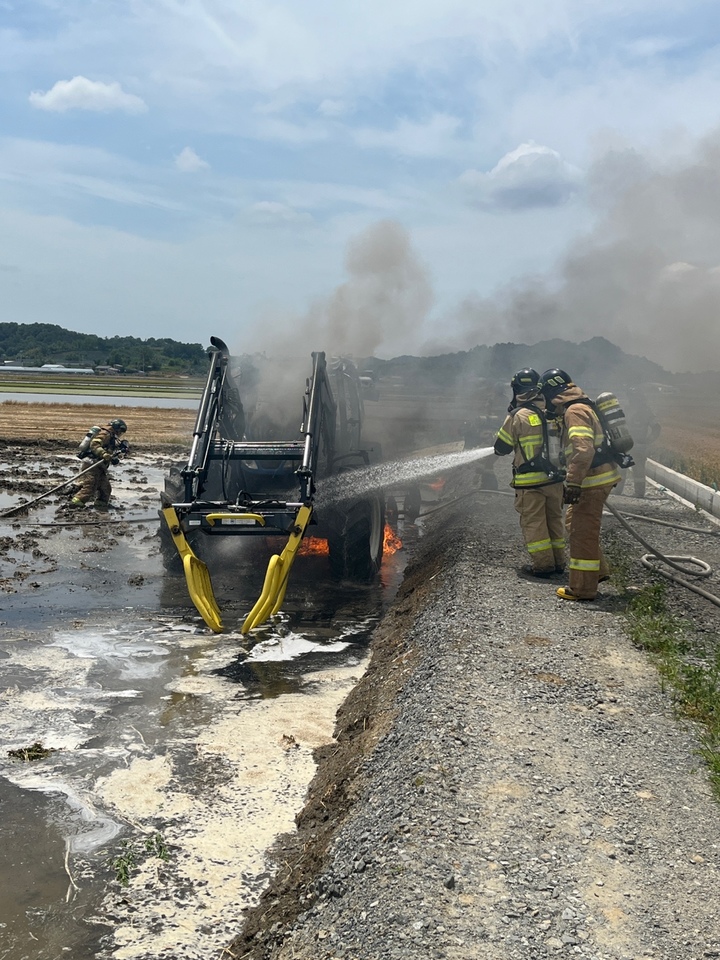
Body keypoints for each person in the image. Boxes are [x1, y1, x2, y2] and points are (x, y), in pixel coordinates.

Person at [539, 370, 621, 601]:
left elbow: (583, 450)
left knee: (583, 533)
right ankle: (598, 573)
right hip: (595, 477)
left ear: (552, 393)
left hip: (592, 480)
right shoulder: (581, 407)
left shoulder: (574, 411)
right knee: (573, 523)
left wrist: (573, 483)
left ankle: (583, 589)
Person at [494, 368, 566, 577]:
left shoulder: (518, 416)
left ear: (517, 391)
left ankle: (543, 566)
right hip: (555, 481)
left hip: (529, 483)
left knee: (534, 523)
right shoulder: (554, 414)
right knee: (554, 521)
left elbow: (501, 448)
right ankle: (559, 563)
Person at [71, 418, 128, 510]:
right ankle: (76, 504)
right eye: (120, 431)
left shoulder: (112, 437)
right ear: (116, 428)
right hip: (91, 463)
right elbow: (94, 444)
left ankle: (100, 505)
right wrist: (103, 454)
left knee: (105, 488)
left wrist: (113, 458)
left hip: (100, 466)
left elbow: (110, 452)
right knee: (90, 485)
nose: (120, 434)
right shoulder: (105, 434)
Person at [614, 388, 661, 498]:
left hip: (638, 445)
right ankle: (618, 490)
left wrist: (647, 441)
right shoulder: (627, 410)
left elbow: (656, 428)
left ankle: (639, 493)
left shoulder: (646, 412)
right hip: (626, 444)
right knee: (621, 468)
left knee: (638, 470)